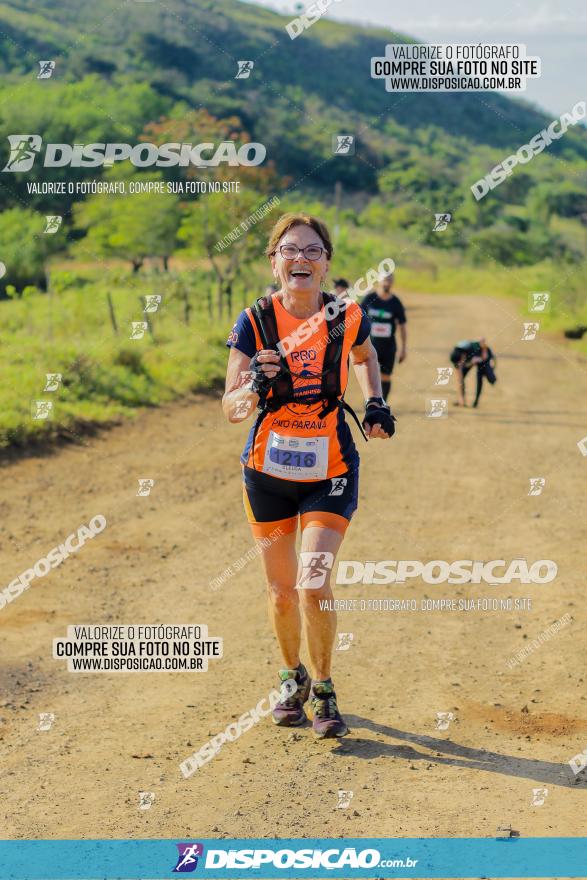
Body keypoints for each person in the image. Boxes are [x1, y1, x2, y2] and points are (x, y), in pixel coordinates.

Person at [223, 212, 395, 739]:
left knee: (313, 583)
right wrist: (254, 381)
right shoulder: (254, 322)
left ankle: (324, 688)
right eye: (290, 249)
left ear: (326, 263)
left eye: (313, 250)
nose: (301, 257)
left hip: (331, 470)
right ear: (274, 262)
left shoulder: (347, 316)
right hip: (267, 472)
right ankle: (291, 676)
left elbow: (366, 356)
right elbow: (231, 407)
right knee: (280, 593)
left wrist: (376, 401)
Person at [360, 274, 407, 401]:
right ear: (379, 281)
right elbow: (358, 319)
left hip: (388, 347)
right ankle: (370, 402)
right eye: (385, 280)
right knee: (370, 376)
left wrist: (404, 348)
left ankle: (383, 404)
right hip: (370, 346)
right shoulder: (369, 298)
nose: (387, 283)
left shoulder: (396, 303)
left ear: (393, 282)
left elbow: (402, 325)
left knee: (385, 376)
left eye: (390, 280)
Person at [449, 338, 497, 407]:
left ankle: (476, 401)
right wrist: (461, 400)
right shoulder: (455, 356)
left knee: (480, 377)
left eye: (461, 362)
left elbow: (483, 342)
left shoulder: (473, 349)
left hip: (481, 358)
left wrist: (482, 356)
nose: (460, 364)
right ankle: (461, 400)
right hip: (471, 359)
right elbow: (459, 378)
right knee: (461, 379)